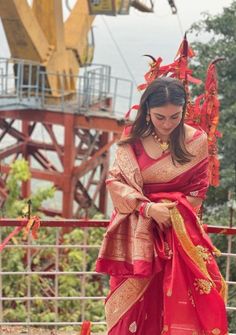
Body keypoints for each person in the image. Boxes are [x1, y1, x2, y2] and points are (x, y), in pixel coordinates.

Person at [96, 77, 228, 334]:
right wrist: (148, 210)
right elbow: (114, 181)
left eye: (174, 116)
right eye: (160, 117)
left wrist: (167, 214)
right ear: (147, 111)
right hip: (136, 235)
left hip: (176, 234)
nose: (168, 124)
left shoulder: (196, 141)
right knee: (130, 311)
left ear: (183, 110)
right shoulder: (132, 140)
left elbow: (198, 190)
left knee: (178, 301)